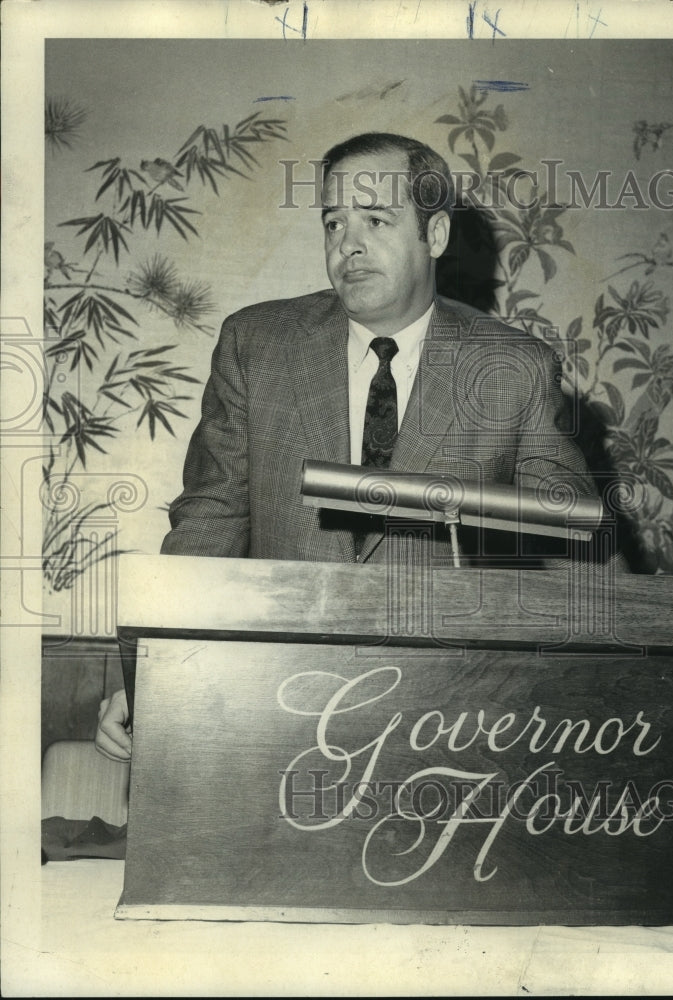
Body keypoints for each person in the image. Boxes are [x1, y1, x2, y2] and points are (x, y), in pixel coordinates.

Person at [95, 131, 597, 762]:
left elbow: (575, 543)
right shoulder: (256, 344)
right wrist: (148, 675)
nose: (348, 244)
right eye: (334, 222)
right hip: (272, 709)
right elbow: (209, 522)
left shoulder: (512, 366)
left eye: (376, 220)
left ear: (434, 235)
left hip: (451, 724)